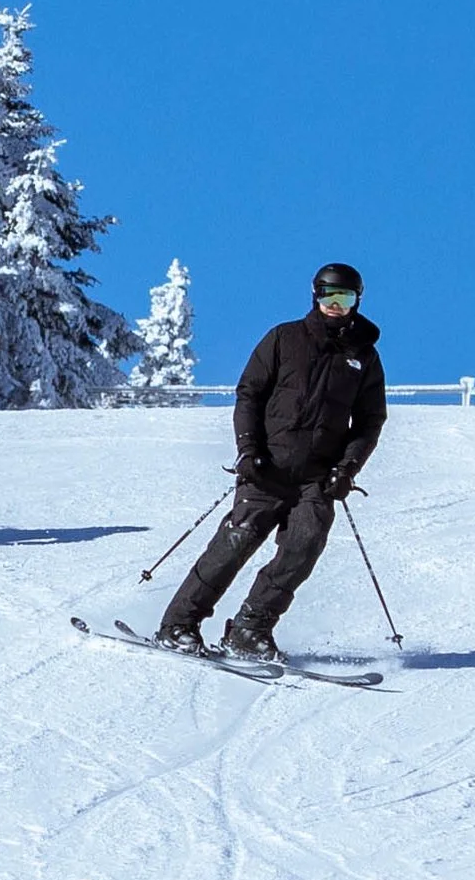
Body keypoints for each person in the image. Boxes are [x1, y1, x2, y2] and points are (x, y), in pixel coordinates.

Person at [158, 262, 385, 659]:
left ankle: (250, 628)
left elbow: (369, 420)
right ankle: (179, 624)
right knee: (236, 540)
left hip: (317, 478)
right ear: (315, 296)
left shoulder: (363, 358)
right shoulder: (284, 338)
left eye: (344, 298)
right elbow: (249, 395)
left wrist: (347, 469)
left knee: (305, 544)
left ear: (356, 302)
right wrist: (248, 450)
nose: (335, 305)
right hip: (267, 467)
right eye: (328, 296)